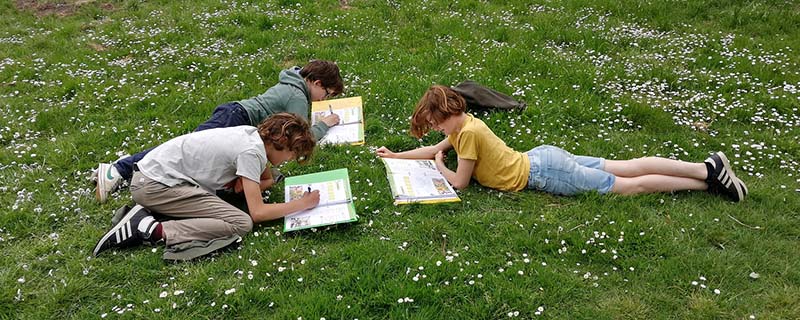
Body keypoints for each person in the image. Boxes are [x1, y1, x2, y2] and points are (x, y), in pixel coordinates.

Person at [376, 85, 748, 201]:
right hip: (543, 157)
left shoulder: (466, 136)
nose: (438, 133)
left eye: (437, 124)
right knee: (626, 164)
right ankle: (706, 169)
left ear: (447, 114)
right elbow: (434, 149)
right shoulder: (464, 127)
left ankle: (705, 180)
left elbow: (459, 181)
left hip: (545, 173)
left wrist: (441, 166)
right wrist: (397, 155)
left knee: (626, 186)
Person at [94, 60, 344, 202]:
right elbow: (300, 138)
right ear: (317, 83)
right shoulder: (298, 97)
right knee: (186, 147)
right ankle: (119, 169)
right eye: (328, 93)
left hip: (235, 114)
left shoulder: (293, 82)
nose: (324, 98)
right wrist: (324, 125)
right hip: (237, 122)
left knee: (188, 149)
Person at [92, 113, 321, 257]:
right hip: (153, 185)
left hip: (153, 174)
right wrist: (302, 204)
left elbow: (267, 179)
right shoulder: (252, 153)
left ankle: (151, 212)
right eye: (292, 154)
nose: (290, 160)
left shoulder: (252, 136)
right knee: (241, 223)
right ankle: (149, 228)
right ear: (280, 143)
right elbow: (258, 213)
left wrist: (259, 182)